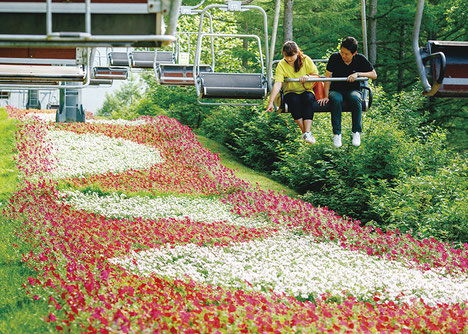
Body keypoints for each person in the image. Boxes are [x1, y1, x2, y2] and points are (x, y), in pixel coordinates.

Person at [317, 36, 377, 147]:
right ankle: (337, 134)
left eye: (346, 54)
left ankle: (356, 131)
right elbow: (327, 78)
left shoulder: (359, 59)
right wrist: (325, 96)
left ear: (353, 53)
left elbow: (374, 75)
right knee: (336, 99)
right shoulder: (334, 58)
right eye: (342, 52)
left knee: (355, 98)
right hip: (336, 90)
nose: (343, 56)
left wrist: (358, 74)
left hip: (352, 89)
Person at [266, 41, 319, 144]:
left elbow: (316, 75)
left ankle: (307, 132)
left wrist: (307, 77)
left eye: (292, 56)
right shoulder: (282, 64)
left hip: (305, 90)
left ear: (297, 53)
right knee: (293, 100)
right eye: (287, 56)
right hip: (290, 91)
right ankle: (306, 132)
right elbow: (278, 84)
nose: (289, 59)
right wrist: (270, 102)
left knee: (308, 98)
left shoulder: (305, 60)